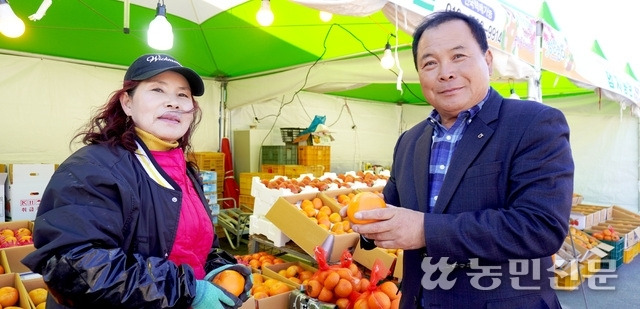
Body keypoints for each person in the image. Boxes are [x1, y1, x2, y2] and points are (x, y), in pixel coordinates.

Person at [346, 11, 574, 309]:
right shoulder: (409, 141)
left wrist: (425, 229)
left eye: (458, 56)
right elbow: (394, 209)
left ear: (488, 61)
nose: (445, 72)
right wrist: (368, 221)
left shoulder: (533, 124)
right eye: (430, 63)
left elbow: (540, 226)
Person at [22, 54, 252, 309]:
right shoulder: (92, 168)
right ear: (127, 103)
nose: (173, 103)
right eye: (157, 89)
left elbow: (200, 246)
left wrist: (221, 269)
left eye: (182, 95)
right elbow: (74, 267)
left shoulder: (186, 172)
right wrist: (189, 291)